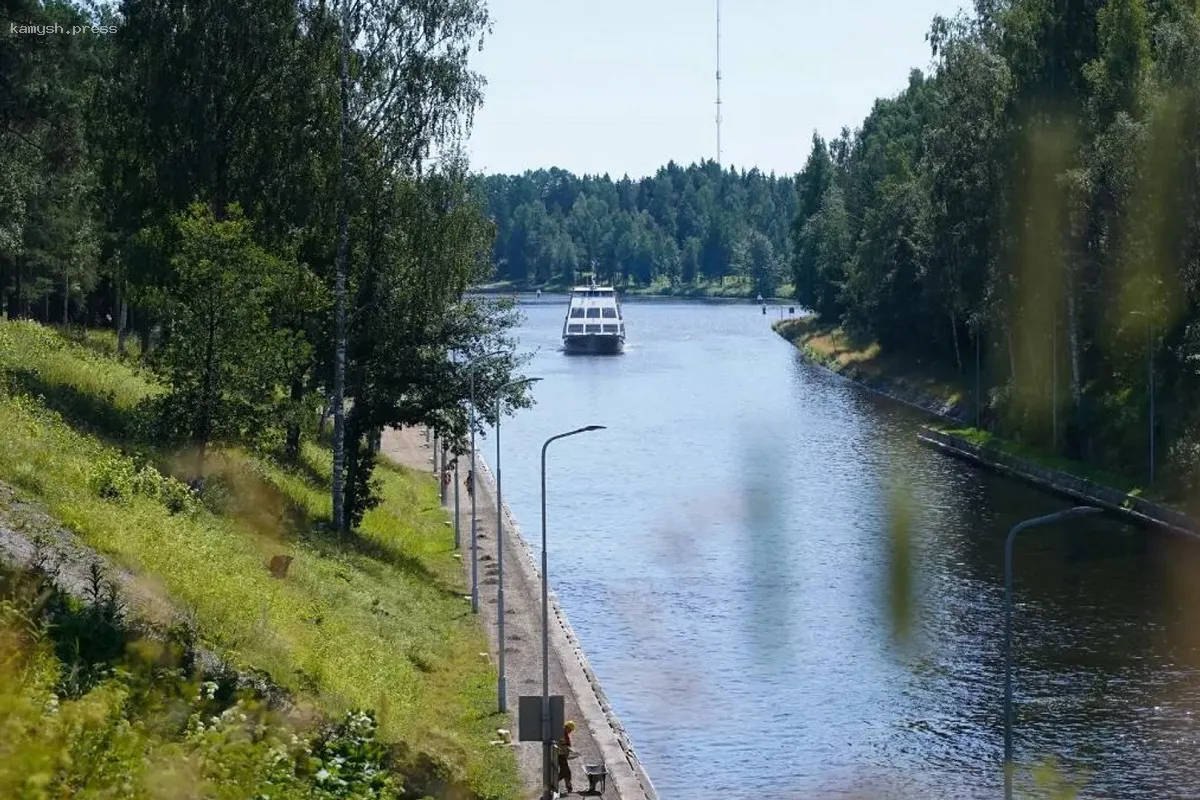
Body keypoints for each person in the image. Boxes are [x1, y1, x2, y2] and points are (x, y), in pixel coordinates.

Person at [556, 720, 576, 794]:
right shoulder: (562, 734)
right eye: (570, 730)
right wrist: (567, 750)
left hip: (561, 754)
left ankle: (568, 786)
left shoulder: (562, 732)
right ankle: (553, 782)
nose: (570, 732)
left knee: (566, 771)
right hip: (560, 755)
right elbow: (562, 745)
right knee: (566, 772)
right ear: (567, 728)